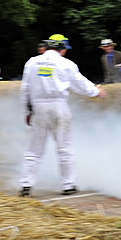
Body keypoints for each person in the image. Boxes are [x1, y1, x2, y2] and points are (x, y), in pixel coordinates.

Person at [19, 33, 106, 197]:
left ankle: (25, 186)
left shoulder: (32, 62)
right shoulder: (66, 64)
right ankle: (68, 185)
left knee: (34, 150)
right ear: (61, 48)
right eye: (65, 48)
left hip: (38, 107)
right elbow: (79, 85)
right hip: (59, 106)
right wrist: (96, 91)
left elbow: (25, 89)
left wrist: (27, 111)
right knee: (65, 148)